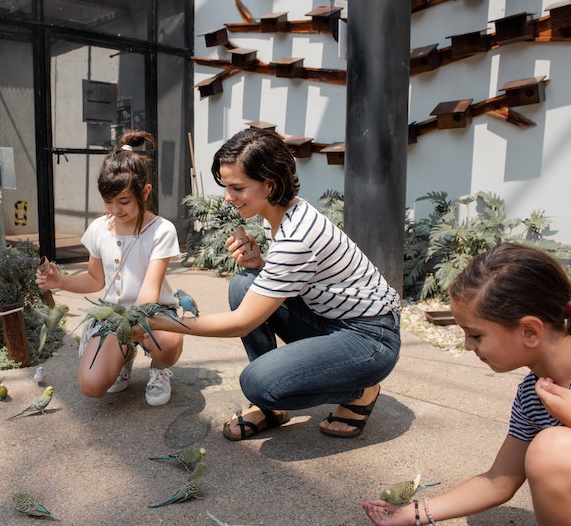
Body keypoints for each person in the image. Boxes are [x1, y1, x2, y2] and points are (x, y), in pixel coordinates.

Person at [146, 128, 402, 440]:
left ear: (269, 184)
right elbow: (298, 278)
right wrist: (261, 266)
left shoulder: (297, 235)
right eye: (227, 187)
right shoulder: (281, 215)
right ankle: (271, 407)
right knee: (244, 284)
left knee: (259, 384)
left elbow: (242, 323)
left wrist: (158, 322)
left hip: (371, 339)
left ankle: (359, 390)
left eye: (237, 187)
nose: (229, 197)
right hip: (333, 321)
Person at [362, 242, 571, 525]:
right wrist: (415, 513)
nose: (467, 345)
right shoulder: (532, 394)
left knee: (553, 449)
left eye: (475, 335)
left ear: (530, 331)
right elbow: (499, 481)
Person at [35, 130, 184, 406]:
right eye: (108, 202)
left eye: (124, 202)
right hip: (114, 315)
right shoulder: (99, 228)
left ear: (145, 192)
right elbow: (95, 280)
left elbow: (149, 291)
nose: (115, 209)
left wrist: (133, 328)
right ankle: (124, 356)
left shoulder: (161, 230)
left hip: (152, 311)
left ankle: (159, 369)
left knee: (168, 341)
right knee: (91, 386)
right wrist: (61, 281)